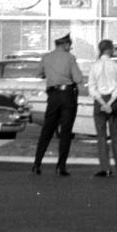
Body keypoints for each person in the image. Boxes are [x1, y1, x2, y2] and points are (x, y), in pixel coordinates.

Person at [32, 33, 84, 176]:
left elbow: (39, 74)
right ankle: (61, 166)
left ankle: (37, 163)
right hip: (67, 95)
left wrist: (51, 75)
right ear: (65, 44)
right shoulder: (70, 58)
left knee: (47, 130)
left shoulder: (46, 57)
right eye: (70, 45)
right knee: (66, 131)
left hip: (53, 96)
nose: (70, 48)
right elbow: (78, 78)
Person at [88, 39, 117, 179]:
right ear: (110, 50)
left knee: (101, 136)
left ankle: (105, 168)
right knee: (116, 135)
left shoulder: (94, 66)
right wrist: (110, 102)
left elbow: (92, 87)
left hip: (99, 101)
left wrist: (102, 103)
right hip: (113, 101)